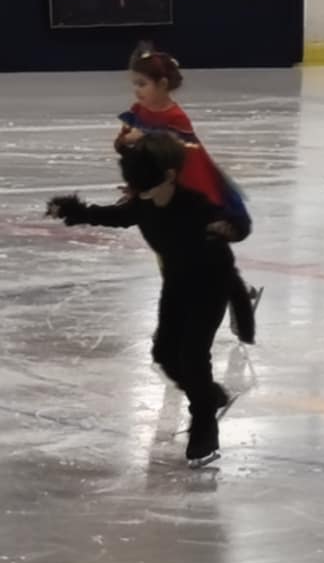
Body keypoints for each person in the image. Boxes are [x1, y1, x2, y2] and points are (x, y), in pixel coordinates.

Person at [46, 135, 237, 467]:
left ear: (169, 175)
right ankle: (210, 395)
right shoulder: (143, 204)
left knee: (193, 356)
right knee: (165, 355)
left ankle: (205, 430)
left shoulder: (195, 206)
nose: (137, 188)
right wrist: (73, 210)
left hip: (210, 286)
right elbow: (114, 216)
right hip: (176, 287)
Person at [118, 41, 261, 344]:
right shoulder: (139, 111)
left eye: (142, 84)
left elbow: (185, 161)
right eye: (135, 84)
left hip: (185, 193)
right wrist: (128, 147)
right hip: (159, 195)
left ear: (163, 84)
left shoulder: (176, 119)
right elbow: (128, 147)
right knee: (170, 258)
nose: (137, 90)